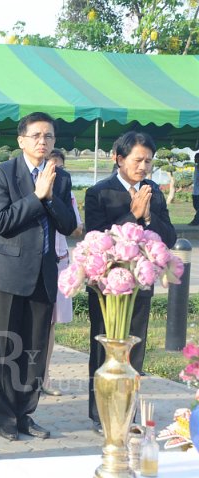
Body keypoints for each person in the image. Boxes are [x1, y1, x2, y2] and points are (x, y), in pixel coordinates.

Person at [0, 112, 76, 443]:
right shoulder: (3, 173)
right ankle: (5, 416)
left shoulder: (60, 178)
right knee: (6, 347)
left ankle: (26, 413)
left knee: (35, 349)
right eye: (36, 136)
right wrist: (36, 196)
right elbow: (2, 222)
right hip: (7, 275)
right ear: (21, 140)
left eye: (49, 136)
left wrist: (50, 196)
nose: (43, 142)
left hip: (45, 274)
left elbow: (68, 225)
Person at [85, 131, 176, 434]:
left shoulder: (153, 191)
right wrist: (132, 215)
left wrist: (148, 218)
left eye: (148, 161)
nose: (143, 166)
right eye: (138, 159)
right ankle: (101, 414)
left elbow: (170, 236)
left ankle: (128, 411)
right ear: (119, 158)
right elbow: (96, 236)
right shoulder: (99, 192)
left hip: (141, 282)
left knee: (134, 347)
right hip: (107, 287)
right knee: (104, 346)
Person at [43, 149, 83, 397]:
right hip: (35, 263)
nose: (53, 173)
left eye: (58, 169)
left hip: (59, 261)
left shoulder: (66, 194)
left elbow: (76, 228)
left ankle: (44, 377)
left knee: (50, 324)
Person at [190, 152, 199, 225]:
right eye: (194, 158)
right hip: (195, 192)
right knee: (196, 206)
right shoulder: (196, 167)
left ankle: (196, 221)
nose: (195, 160)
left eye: (196, 158)